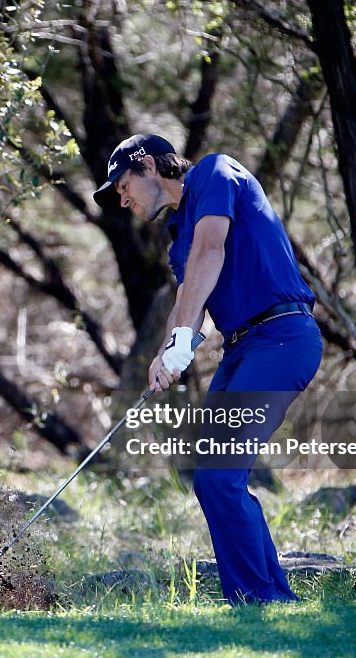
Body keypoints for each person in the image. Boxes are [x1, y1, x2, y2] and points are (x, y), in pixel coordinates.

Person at [93, 133, 322, 604]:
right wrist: (167, 353)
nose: (123, 199)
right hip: (243, 348)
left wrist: (182, 339)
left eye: (123, 186)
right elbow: (189, 299)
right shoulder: (179, 235)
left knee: (220, 475)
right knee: (212, 479)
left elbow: (211, 251)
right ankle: (268, 597)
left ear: (149, 167)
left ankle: (259, 599)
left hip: (283, 337)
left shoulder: (216, 173)